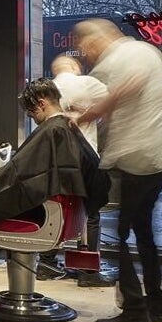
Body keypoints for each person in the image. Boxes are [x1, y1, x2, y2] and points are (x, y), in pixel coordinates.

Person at [73, 18, 162, 322]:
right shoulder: (147, 50)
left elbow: (126, 87)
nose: (85, 54)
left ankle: (134, 314)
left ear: (93, 42)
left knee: (118, 235)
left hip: (136, 158)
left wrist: (87, 115)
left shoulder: (114, 60)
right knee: (144, 231)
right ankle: (156, 306)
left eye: (83, 48)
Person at [0, 78, 108, 242]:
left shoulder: (52, 130)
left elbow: (14, 178)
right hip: (67, 216)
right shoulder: (68, 127)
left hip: (42, 216)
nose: (33, 119)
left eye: (31, 113)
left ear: (41, 104)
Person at [39, 55, 113, 286]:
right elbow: (113, 103)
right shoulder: (88, 83)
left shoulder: (49, 89)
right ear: (74, 67)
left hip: (56, 160)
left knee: (56, 207)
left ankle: (47, 263)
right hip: (85, 157)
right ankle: (87, 272)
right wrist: (90, 115)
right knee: (90, 212)